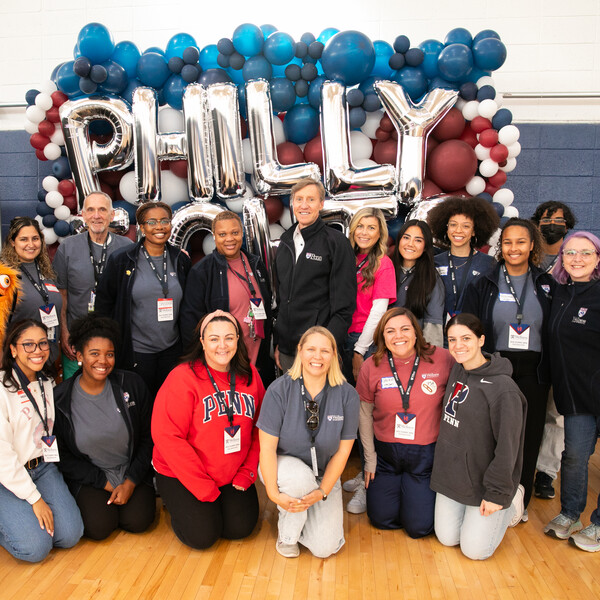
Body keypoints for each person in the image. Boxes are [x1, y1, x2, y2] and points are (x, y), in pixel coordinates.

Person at [462, 217, 554, 519]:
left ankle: (518, 503)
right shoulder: (485, 283)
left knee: (526, 436)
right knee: (491, 433)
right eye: (508, 242)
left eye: (521, 242)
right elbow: (472, 326)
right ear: (500, 247)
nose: (513, 248)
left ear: (532, 246)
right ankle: (487, 494)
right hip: (495, 365)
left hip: (534, 369)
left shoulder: (546, 284)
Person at [152, 310, 264, 550]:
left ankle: (211, 506)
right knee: (202, 536)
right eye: (214, 339)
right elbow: (167, 437)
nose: (222, 346)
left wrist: (247, 471)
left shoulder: (251, 375)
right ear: (202, 342)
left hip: (230, 472)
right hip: (183, 473)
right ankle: (176, 506)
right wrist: (203, 487)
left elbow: (260, 428)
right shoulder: (182, 378)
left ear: (238, 340)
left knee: (240, 528)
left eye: (229, 338)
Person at [431, 313, 526, 560]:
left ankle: (512, 496)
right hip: (454, 475)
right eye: (452, 340)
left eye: (466, 338)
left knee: (475, 551)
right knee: (447, 538)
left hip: (487, 482)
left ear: (481, 339)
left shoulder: (504, 390)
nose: (458, 346)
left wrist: (496, 493)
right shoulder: (458, 370)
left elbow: (508, 448)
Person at [258, 326, 359, 558]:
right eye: (311, 349)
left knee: (325, 549)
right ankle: (288, 536)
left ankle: (303, 513)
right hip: (284, 469)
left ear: (334, 355)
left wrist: (322, 491)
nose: (317, 356)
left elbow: (343, 453)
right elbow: (267, 449)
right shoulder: (279, 390)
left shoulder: (348, 395)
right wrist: (273, 494)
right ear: (300, 352)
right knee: (300, 480)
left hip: (323, 474)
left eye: (325, 351)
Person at [53, 316, 155, 540]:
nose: (103, 361)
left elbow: (149, 438)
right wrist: (103, 482)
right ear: (79, 356)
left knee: (138, 521)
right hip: (92, 476)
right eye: (94, 353)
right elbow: (62, 456)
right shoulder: (60, 399)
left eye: (109, 354)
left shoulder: (132, 385)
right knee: (99, 527)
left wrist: (130, 482)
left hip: (130, 471)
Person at [356, 307, 453, 537]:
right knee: (380, 519)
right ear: (382, 336)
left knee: (418, 528)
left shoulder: (442, 358)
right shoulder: (371, 365)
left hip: (424, 456)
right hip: (386, 456)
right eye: (390, 331)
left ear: (416, 332)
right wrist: (369, 460)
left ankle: (412, 497)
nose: (398, 336)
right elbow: (364, 414)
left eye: (404, 329)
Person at [0, 319, 83, 562]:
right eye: (28, 345)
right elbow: (3, 456)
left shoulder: (46, 381)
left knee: (70, 535)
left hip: (42, 467)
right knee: (35, 549)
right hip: (7, 475)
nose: (37, 351)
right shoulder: (2, 389)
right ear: (13, 349)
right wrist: (35, 499)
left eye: (42, 343)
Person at [95, 201, 191, 399]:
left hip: (172, 352)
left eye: (165, 221)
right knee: (139, 407)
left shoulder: (180, 260)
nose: (159, 227)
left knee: (169, 404)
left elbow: (189, 306)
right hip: (136, 352)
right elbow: (104, 306)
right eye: (152, 222)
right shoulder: (122, 260)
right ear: (142, 227)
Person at [544, 232, 600, 552]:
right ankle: (570, 514)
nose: (577, 258)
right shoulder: (560, 293)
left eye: (586, 253)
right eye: (570, 252)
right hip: (578, 394)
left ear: (597, 259)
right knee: (575, 456)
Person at [342, 207, 396, 515]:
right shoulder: (350, 259)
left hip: (363, 341)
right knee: (349, 411)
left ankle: (368, 484)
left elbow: (378, 311)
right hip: (341, 338)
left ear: (379, 234)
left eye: (371, 228)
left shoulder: (383, 264)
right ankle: (361, 474)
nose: (364, 232)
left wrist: (360, 350)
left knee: (366, 414)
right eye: (360, 225)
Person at [179, 210, 273, 383]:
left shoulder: (256, 263)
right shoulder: (202, 271)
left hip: (258, 357)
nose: (229, 239)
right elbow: (190, 321)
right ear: (214, 236)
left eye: (235, 233)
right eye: (222, 234)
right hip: (224, 362)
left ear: (242, 234)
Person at [274, 179, 356, 371]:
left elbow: (344, 306)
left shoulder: (336, 243)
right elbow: (282, 297)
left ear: (321, 204)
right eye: (299, 199)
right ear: (292, 203)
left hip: (319, 351)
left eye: (311, 199)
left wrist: (327, 346)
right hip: (288, 350)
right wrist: (280, 342)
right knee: (292, 401)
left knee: (321, 401)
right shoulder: (285, 242)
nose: (304, 205)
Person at [53, 191, 132, 379]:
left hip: (113, 338)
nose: (96, 215)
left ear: (112, 215)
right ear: (83, 214)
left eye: (102, 210)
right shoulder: (68, 248)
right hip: (76, 338)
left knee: (111, 392)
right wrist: (64, 333)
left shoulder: (127, 247)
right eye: (91, 210)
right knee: (74, 392)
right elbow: (62, 295)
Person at [530, 201, 576, 500]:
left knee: (555, 416)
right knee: (528, 413)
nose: (551, 224)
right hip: (530, 350)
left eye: (558, 220)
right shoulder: (527, 258)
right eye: (546, 219)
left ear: (567, 226)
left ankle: (546, 472)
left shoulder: (573, 261)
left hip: (562, 353)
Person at [427, 196, 498, 324]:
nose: (458, 231)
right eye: (453, 225)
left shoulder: (489, 264)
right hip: (438, 336)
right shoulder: (434, 262)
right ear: (446, 227)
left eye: (466, 226)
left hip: (472, 334)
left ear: (474, 231)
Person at [0, 217, 63, 363]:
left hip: (48, 361)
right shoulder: (5, 276)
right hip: (17, 365)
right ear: (12, 242)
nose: (30, 244)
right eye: (23, 239)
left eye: (35, 238)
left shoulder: (47, 271)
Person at [390, 220, 445, 347]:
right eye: (406, 238)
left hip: (415, 352)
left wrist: (428, 361)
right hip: (383, 350)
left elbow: (433, 329)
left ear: (425, 247)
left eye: (418, 240)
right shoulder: (387, 270)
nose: (410, 244)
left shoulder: (431, 278)